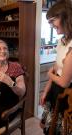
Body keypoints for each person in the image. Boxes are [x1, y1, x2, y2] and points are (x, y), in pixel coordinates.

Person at [40, 0, 72, 134]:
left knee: (58, 130)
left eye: (52, 20)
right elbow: (55, 67)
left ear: (65, 17)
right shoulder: (61, 41)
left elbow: (64, 82)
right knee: (47, 128)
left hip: (65, 95)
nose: (51, 25)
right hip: (54, 89)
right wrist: (46, 90)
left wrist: (49, 74)